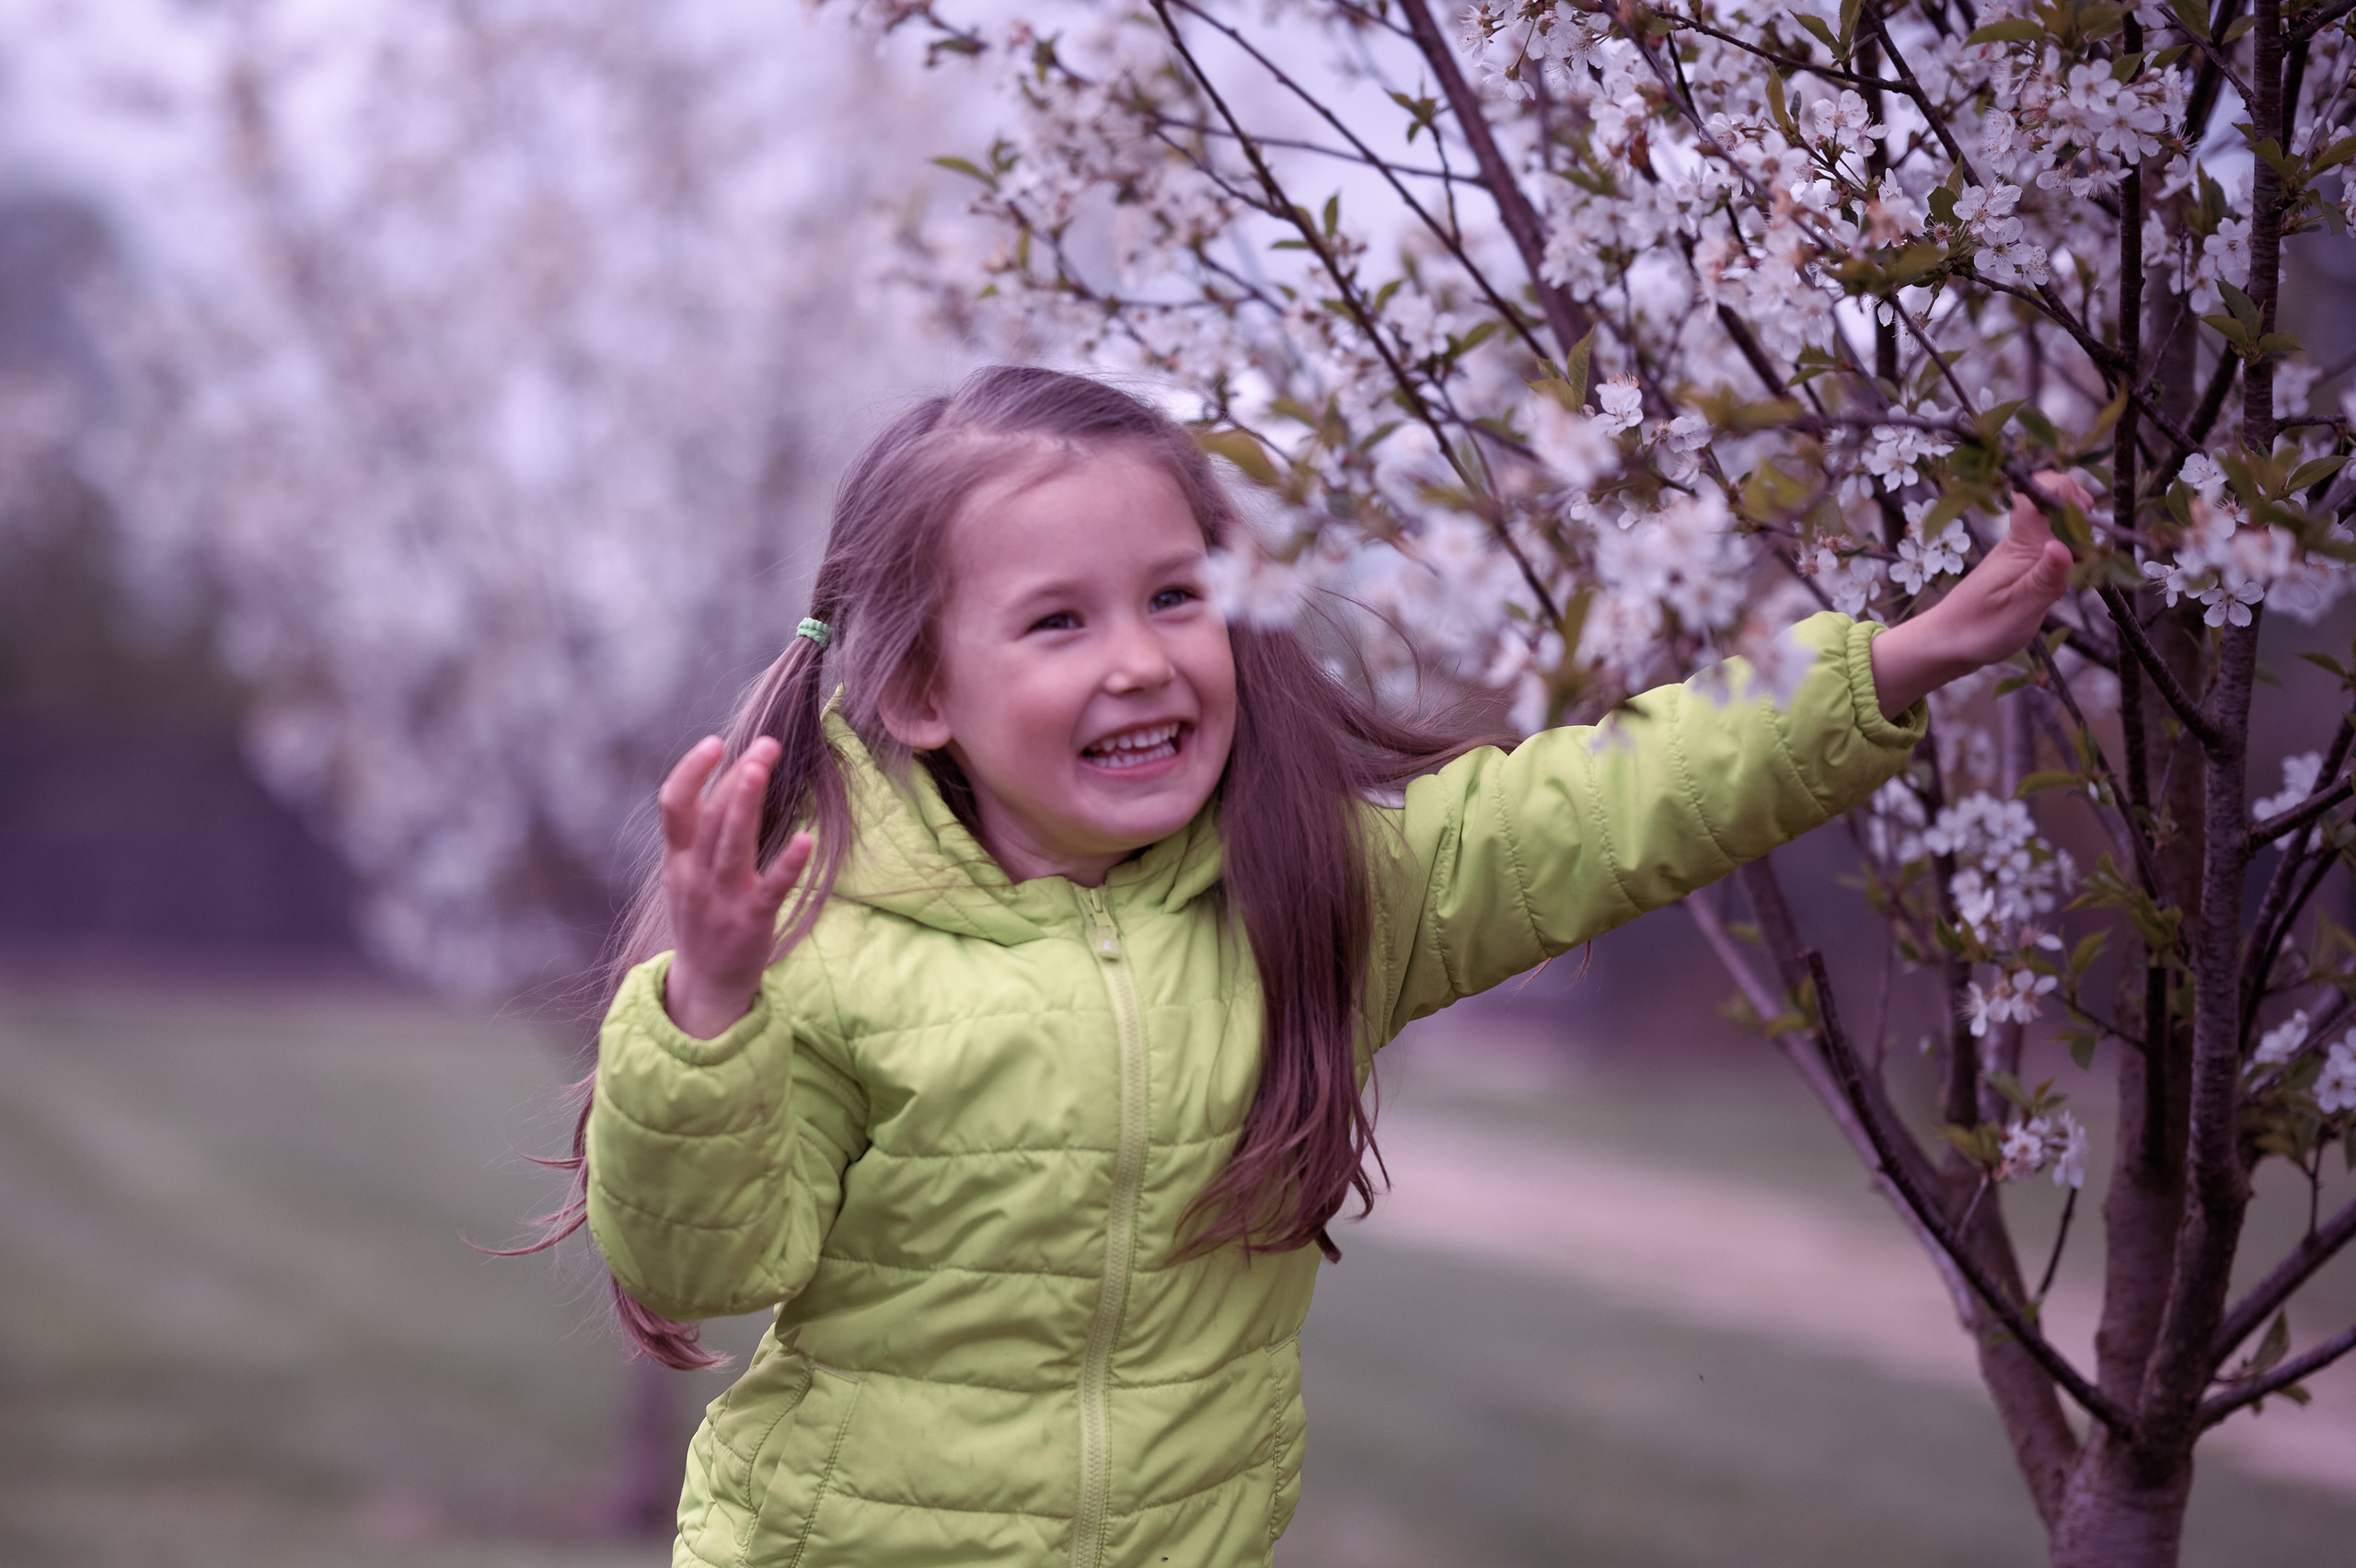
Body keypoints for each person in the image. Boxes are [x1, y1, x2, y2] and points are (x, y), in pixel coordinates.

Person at [551, 366, 2073, 1567]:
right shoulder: (830, 953)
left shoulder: (1310, 893)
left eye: (1174, 596)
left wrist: (1886, 667)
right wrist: (711, 1010)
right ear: (922, 691)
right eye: (1059, 622)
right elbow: (700, 1269)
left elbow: (1599, 811)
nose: (1140, 659)